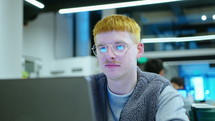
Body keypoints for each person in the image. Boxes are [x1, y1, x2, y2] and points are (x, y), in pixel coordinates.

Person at [90, 14, 189, 121]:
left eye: (119, 46)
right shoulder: (87, 89)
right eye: (102, 48)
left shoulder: (160, 92)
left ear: (139, 50)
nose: (109, 55)